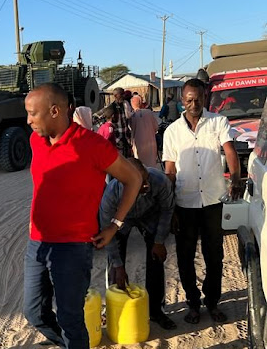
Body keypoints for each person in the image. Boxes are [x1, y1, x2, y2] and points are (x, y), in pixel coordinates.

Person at [23, 83, 142, 349]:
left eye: (33, 113)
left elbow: (132, 178)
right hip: (37, 241)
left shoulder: (91, 145)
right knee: (34, 312)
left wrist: (115, 225)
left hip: (73, 247)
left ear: (55, 111)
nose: (28, 120)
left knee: (71, 316)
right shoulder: (35, 140)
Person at [162, 78, 244, 324]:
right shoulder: (172, 131)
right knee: (185, 257)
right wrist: (170, 208)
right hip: (184, 203)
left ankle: (212, 302)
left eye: (197, 99)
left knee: (214, 255)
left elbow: (229, 150)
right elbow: (169, 170)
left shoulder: (218, 122)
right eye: (188, 100)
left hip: (212, 201)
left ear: (205, 98)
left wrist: (237, 178)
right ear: (182, 101)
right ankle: (193, 304)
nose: (193, 104)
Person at [99, 159, 176, 329]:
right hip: (120, 219)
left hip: (150, 215)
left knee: (156, 258)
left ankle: (155, 311)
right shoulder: (111, 195)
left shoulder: (160, 181)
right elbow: (107, 234)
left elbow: (167, 210)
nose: (147, 185)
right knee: (114, 265)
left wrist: (159, 241)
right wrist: (119, 266)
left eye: (146, 179)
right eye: (141, 183)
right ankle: (114, 308)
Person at [130, 95, 159, 168]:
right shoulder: (149, 112)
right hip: (151, 143)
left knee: (140, 167)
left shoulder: (132, 116)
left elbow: (131, 131)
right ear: (140, 103)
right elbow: (156, 127)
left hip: (139, 144)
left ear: (132, 104)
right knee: (151, 165)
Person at [109, 88, 133, 157]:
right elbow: (99, 118)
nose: (123, 95)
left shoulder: (125, 104)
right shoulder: (111, 107)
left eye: (124, 94)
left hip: (126, 138)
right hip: (118, 139)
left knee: (129, 159)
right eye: (121, 94)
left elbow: (129, 116)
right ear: (116, 96)